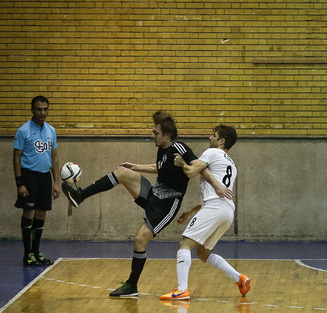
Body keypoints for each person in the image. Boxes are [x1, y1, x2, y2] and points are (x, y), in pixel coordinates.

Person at [61, 111, 225, 297]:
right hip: (155, 193)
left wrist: (216, 184)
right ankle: (80, 195)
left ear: (167, 135)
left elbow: (198, 166)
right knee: (122, 171)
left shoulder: (180, 147)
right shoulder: (162, 149)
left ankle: (132, 286)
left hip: (167, 205)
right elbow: (160, 167)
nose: (152, 135)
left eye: (156, 133)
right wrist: (135, 166)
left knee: (140, 241)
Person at [160, 124, 251, 301]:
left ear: (221, 140)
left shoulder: (212, 153)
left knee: (185, 244)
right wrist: (190, 211)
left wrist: (182, 163)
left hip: (215, 208)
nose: (210, 138)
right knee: (202, 252)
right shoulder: (231, 164)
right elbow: (216, 193)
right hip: (227, 211)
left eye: (213, 135)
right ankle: (240, 278)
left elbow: (191, 172)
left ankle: (181, 290)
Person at [14, 95, 60, 266]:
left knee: (41, 213)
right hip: (28, 176)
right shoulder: (23, 130)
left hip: (44, 177)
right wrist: (20, 182)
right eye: (39, 109)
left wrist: (55, 182)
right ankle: (27, 255)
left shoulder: (51, 130)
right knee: (29, 213)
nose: (42, 112)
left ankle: (36, 252)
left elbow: (54, 157)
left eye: (45, 109)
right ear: (32, 110)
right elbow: (16, 157)